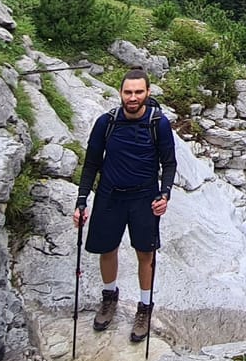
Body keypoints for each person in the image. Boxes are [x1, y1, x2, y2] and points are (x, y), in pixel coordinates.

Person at [72, 67, 176, 342]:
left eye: (138, 92)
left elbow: (169, 163)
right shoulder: (106, 123)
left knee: (146, 253)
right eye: (128, 92)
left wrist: (164, 194)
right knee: (106, 249)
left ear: (147, 92)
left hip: (144, 197)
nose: (133, 97)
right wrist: (82, 200)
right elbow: (92, 163)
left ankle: (144, 307)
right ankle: (109, 297)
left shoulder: (158, 123)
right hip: (110, 194)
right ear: (120, 93)